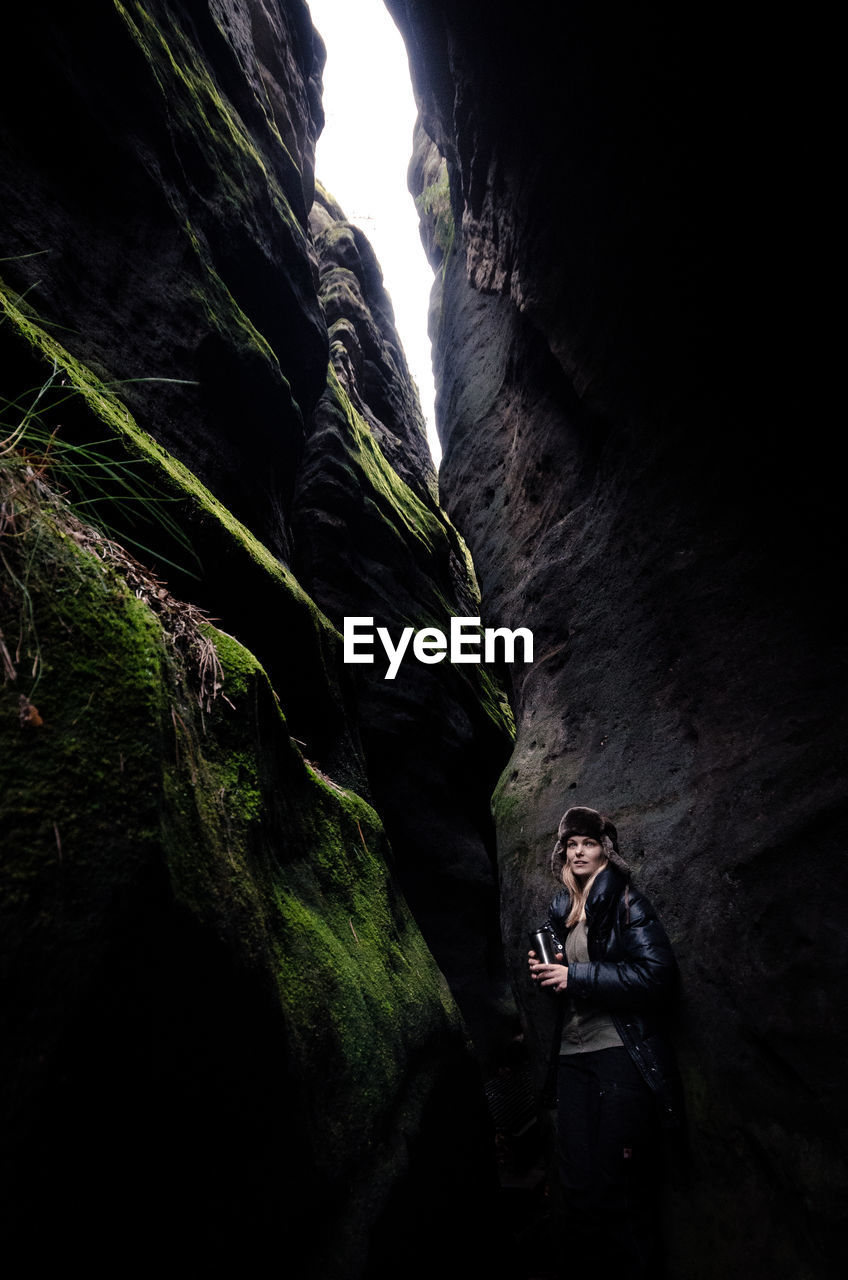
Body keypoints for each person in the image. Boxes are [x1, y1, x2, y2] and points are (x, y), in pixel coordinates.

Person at [528, 805, 681, 1277]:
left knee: (621, 1185)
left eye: (588, 843)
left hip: (620, 1055)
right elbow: (571, 979)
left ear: (605, 852)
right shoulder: (562, 911)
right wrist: (546, 973)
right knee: (577, 1184)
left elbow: (658, 976)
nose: (578, 852)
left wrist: (576, 977)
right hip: (573, 1059)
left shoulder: (627, 902)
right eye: (571, 844)